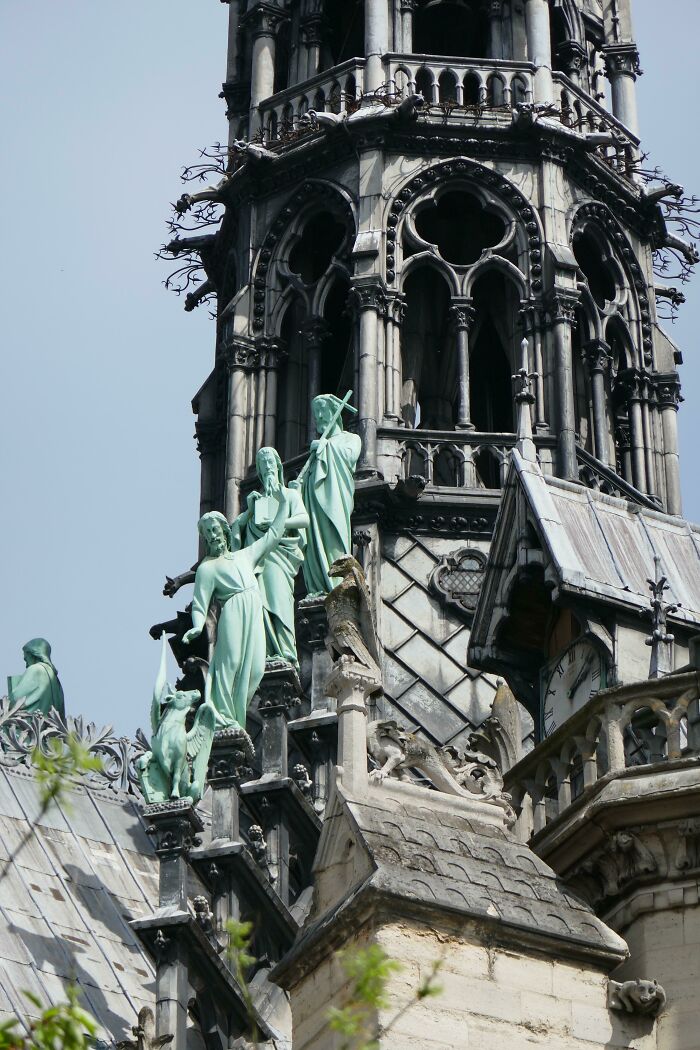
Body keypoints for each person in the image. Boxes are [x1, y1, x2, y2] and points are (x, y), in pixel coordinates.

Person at [182, 496, 289, 729]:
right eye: (207, 532)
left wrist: (286, 504)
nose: (212, 535)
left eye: (214, 529)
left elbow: (272, 536)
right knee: (229, 662)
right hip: (231, 609)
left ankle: (236, 713)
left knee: (257, 667)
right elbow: (200, 603)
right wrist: (196, 626)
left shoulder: (244, 556)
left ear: (224, 530)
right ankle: (222, 715)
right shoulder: (207, 569)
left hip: (253, 608)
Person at [230, 446, 309, 666]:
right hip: (259, 559)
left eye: (270, 463)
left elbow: (304, 520)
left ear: (277, 466)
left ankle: (285, 651)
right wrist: (248, 511)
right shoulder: (255, 502)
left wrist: (279, 523)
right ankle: (266, 651)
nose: (267, 468)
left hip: (280, 557)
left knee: (279, 600)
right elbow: (237, 531)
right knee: (260, 605)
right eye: (262, 465)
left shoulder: (289, 495)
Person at [294, 394, 361, 596]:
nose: (320, 417)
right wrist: (298, 487)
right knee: (315, 544)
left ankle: (337, 584)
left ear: (335, 413)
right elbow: (311, 481)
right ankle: (319, 586)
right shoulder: (317, 449)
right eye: (317, 413)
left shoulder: (350, 438)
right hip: (314, 506)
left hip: (335, 501)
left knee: (334, 540)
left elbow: (349, 458)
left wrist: (327, 447)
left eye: (323, 411)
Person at [8, 639, 65, 717]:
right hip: (51, 727)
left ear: (33, 654)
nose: (26, 665)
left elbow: (15, 701)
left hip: (29, 725)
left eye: (26, 660)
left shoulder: (35, 670)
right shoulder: (56, 680)